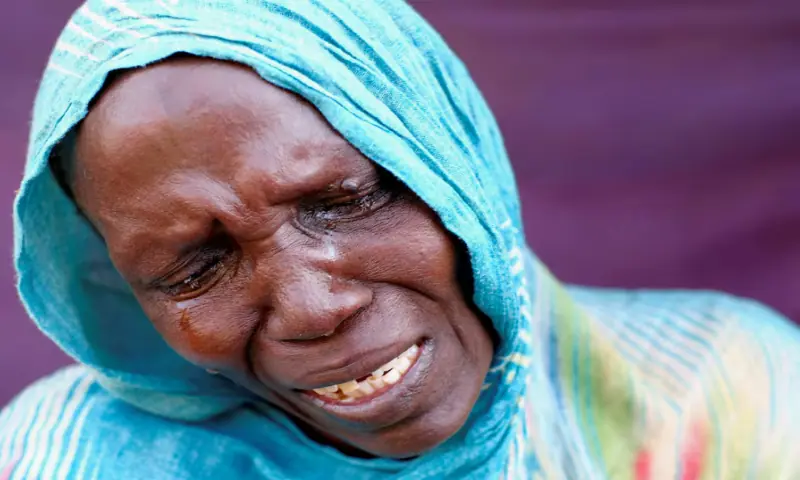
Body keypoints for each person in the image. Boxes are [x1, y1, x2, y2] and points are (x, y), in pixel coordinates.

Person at [2, 1, 799, 478]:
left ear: (450, 159)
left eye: (343, 200)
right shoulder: (58, 460)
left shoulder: (725, 391)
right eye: (195, 269)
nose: (312, 308)